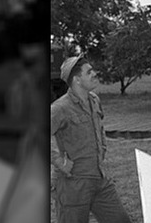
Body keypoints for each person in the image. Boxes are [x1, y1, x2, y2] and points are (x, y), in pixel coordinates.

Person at [50, 55, 132, 223]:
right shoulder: (60, 108)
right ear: (77, 79)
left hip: (100, 180)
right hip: (74, 184)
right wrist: (59, 162)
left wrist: (102, 148)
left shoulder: (94, 100)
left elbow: (99, 129)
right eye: (89, 72)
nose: (94, 74)